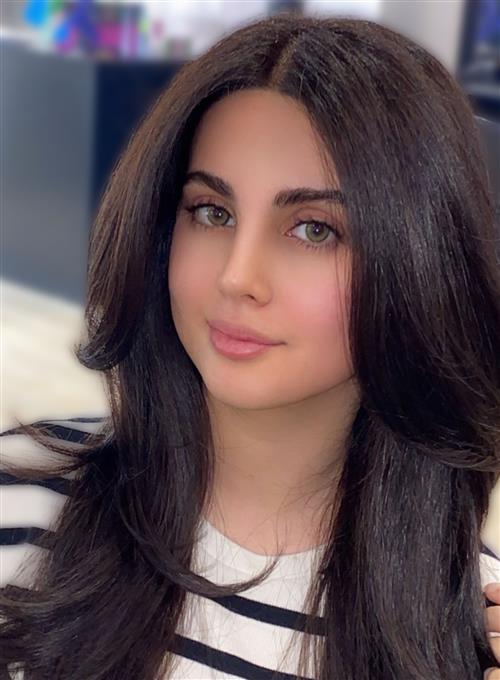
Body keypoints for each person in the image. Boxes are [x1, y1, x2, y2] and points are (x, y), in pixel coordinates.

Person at [1, 12, 500, 680]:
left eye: (314, 230)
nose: (237, 277)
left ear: (420, 262)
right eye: (212, 213)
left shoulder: (471, 628)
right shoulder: (22, 497)